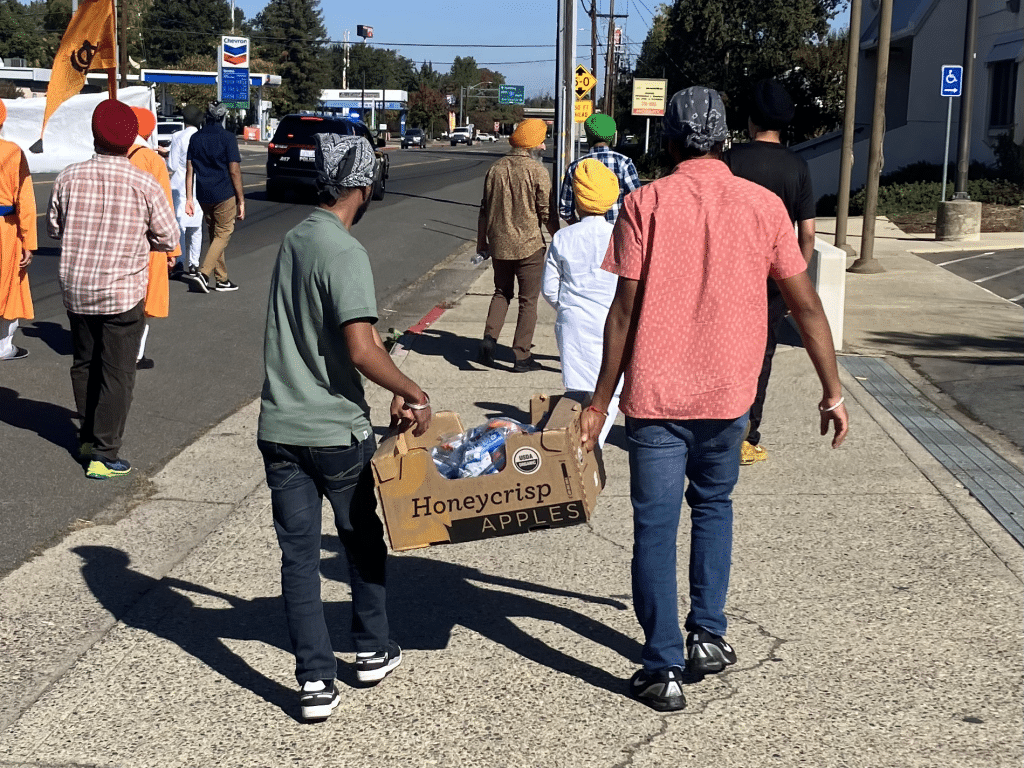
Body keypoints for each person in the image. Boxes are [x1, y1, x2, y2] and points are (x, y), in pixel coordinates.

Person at [579, 87, 849, 713]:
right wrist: (831, 391)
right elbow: (806, 306)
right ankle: (707, 634)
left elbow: (623, 313)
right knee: (714, 507)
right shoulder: (763, 206)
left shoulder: (643, 203)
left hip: (656, 397)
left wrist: (599, 402)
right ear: (725, 139)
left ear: (671, 142)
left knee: (654, 528)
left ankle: (661, 667)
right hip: (730, 396)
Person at [257, 133, 432, 722]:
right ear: (361, 184)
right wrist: (413, 392)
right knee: (361, 541)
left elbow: (345, 335)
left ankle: (313, 683)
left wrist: (389, 372)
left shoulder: (296, 238)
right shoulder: (346, 252)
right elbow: (360, 348)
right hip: (334, 432)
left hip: (281, 426)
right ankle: (372, 649)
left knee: (298, 558)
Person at [48, 99, 178, 479]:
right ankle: (104, 455)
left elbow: (54, 227)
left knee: (84, 363)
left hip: (77, 289)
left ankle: (88, 439)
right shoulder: (144, 183)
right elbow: (168, 237)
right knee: (118, 372)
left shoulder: (68, 177)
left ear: (94, 135)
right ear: (131, 139)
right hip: (122, 292)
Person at [725, 79, 817, 466]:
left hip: (728, 274)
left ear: (751, 121)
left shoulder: (729, 160)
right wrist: (796, 277)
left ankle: (716, 427)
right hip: (774, 280)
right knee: (761, 356)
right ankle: (748, 434)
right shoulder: (798, 166)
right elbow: (807, 233)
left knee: (722, 349)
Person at [542, 158, 622, 447]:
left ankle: (581, 445)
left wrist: (568, 307)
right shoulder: (620, 236)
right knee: (611, 391)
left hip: (573, 323)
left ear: (578, 198)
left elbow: (549, 288)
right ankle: (591, 447)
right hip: (613, 322)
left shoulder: (563, 237)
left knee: (579, 391)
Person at [476, 118, 557, 372]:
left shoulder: (495, 169)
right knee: (528, 301)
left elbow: (484, 209)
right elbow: (546, 213)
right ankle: (522, 356)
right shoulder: (538, 172)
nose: (544, 147)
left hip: (500, 244)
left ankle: (489, 340)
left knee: (501, 292)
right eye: (541, 142)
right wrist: (559, 237)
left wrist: (481, 242)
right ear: (531, 144)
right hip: (529, 246)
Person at [128, 106, 181, 370]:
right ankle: (135, 354)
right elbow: (164, 209)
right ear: (149, 131)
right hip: (148, 242)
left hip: (118, 240)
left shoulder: (111, 155)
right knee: (145, 301)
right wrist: (172, 250)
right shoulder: (152, 160)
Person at [183, 101, 244, 294]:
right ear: (223, 117)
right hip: (224, 193)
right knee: (224, 232)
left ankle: (222, 279)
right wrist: (241, 199)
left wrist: (189, 198)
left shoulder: (196, 138)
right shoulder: (228, 138)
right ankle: (203, 273)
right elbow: (234, 170)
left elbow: (190, 170)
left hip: (203, 194)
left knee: (215, 235)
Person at [0, 100, 36, 361]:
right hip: (5, 229)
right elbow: (25, 200)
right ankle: (3, 346)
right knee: (9, 284)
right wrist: (28, 241)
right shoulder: (12, 151)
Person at [557, 113, 640, 224]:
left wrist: (579, 226)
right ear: (612, 137)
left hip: (586, 232)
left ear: (588, 137)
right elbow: (638, 203)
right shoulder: (624, 163)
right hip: (617, 232)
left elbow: (565, 211)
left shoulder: (576, 167)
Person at [168, 105, 204, 280]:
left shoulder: (178, 137)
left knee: (180, 225)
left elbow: (173, 165)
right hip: (199, 184)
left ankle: (180, 261)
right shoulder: (203, 137)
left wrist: (165, 155)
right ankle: (194, 264)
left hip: (180, 185)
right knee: (196, 226)